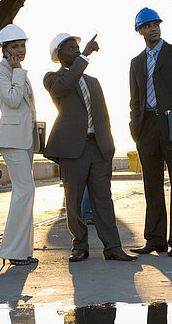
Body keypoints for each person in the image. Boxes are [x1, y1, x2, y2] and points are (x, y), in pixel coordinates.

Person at [43, 33, 136, 262]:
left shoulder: (93, 82)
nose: (76, 50)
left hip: (98, 148)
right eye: (71, 48)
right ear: (59, 55)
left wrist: (109, 144)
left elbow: (103, 116)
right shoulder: (53, 79)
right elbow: (65, 85)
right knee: (73, 201)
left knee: (103, 199)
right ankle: (80, 246)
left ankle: (113, 247)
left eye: (77, 47)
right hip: (72, 150)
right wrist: (84, 55)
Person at [128, 8, 172, 257]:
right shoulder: (136, 63)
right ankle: (155, 239)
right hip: (147, 127)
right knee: (152, 186)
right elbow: (135, 99)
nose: (154, 28)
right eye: (148, 26)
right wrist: (135, 128)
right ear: (140, 31)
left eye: (156, 23)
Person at [0, 23, 39, 266]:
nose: (20, 50)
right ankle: (12, 251)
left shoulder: (21, 71)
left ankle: (23, 250)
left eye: (23, 45)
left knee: (25, 193)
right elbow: (10, 100)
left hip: (25, 139)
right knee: (25, 191)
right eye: (15, 47)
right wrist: (18, 72)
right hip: (12, 140)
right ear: (4, 49)